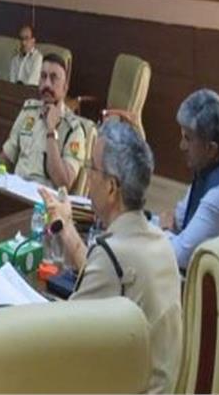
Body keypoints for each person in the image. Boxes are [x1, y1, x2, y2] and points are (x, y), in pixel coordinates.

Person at [43, 120, 182, 394]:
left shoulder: (112, 257)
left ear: (111, 187)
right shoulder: (159, 242)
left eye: (92, 168)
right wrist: (66, 225)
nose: (88, 175)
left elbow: (63, 338)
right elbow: (102, 272)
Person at [162, 89, 219, 271]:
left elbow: (179, 256)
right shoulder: (207, 169)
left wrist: (163, 230)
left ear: (211, 149)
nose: (182, 146)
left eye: (188, 139)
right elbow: (178, 219)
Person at [0, 53, 86, 190]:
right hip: (14, 190)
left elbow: (63, 182)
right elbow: (7, 157)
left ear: (65, 87)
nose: (47, 84)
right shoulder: (29, 111)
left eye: (54, 78)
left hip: (42, 199)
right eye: (43, 76)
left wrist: (51, 131)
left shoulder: (74, 130)